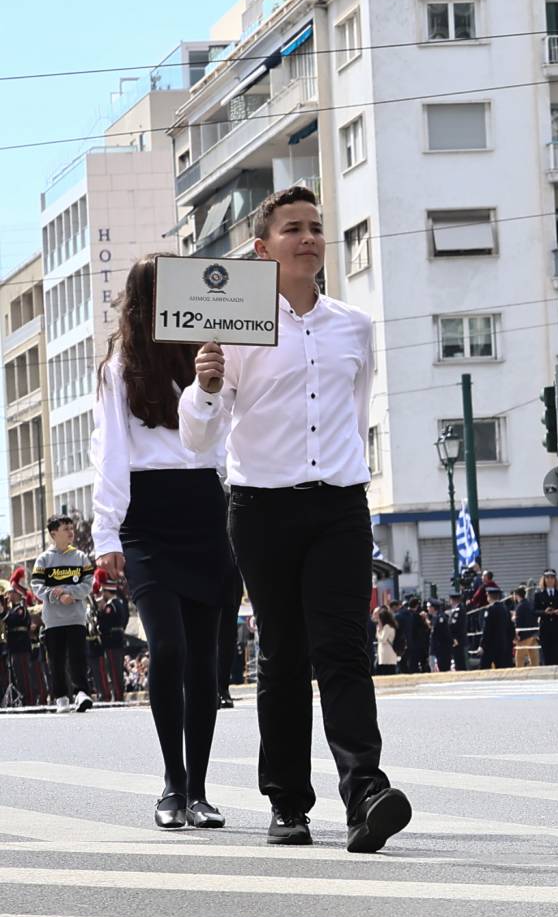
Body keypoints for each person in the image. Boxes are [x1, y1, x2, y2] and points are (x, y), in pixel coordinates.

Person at [179, 185, 411, 853]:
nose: (309, 238)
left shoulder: (353, 326)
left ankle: (366, 790)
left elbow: (358, 406)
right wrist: (206, 386)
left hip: (339, 502)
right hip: (261, 507)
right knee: (283, 654)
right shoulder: (235, 328)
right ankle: (287, 801)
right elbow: (199, 440)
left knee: (344, 648)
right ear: (262, 248)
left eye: (315, 227)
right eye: (293, 229)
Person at [31, 515, 95, 714]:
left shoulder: (81, 557)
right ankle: (61, 697)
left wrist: (70, 594)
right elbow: (36, 586)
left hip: (76, 618)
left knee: (78, 657)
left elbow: (88, 584)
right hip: (53, 622)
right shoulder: (44, 559)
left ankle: (81, 693)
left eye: (72, 527)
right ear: (53, 534)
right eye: (65, 528)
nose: (71, 532)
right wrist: (55, 596)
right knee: (56, 660)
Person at [92, 578, 129, 704]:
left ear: (108, 590)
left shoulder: (110, 606)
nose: (102, 593)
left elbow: (104, 623)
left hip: (112, 640)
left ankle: (118, 695)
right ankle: (119, 694)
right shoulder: (120, 603)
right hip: (117, 639)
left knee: (114, 669)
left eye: (103, 590)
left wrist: (99, 615)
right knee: (117, 669)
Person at [534, 570, 558, 666]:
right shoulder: (539, 594)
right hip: (546, 627)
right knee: (547, 654)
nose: (550, 580)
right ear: (544, 580)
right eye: (547, 578)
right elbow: (534, 611)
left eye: (552, 578)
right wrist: (544, 612)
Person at [480, 587, 515, 670]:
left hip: (491, 645)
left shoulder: (490, 609)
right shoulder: (505, 609)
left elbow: (487, 629)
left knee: (485, 668)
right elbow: (510, 628)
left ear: (488, 596)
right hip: (504, 645)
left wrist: (482, 645)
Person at [373, 608, 400, 676]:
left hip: (387, 654)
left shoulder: (387, 627)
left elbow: (383, 639)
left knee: (385, 672)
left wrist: (378, 631)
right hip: (387, 654)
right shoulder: (390, 626)